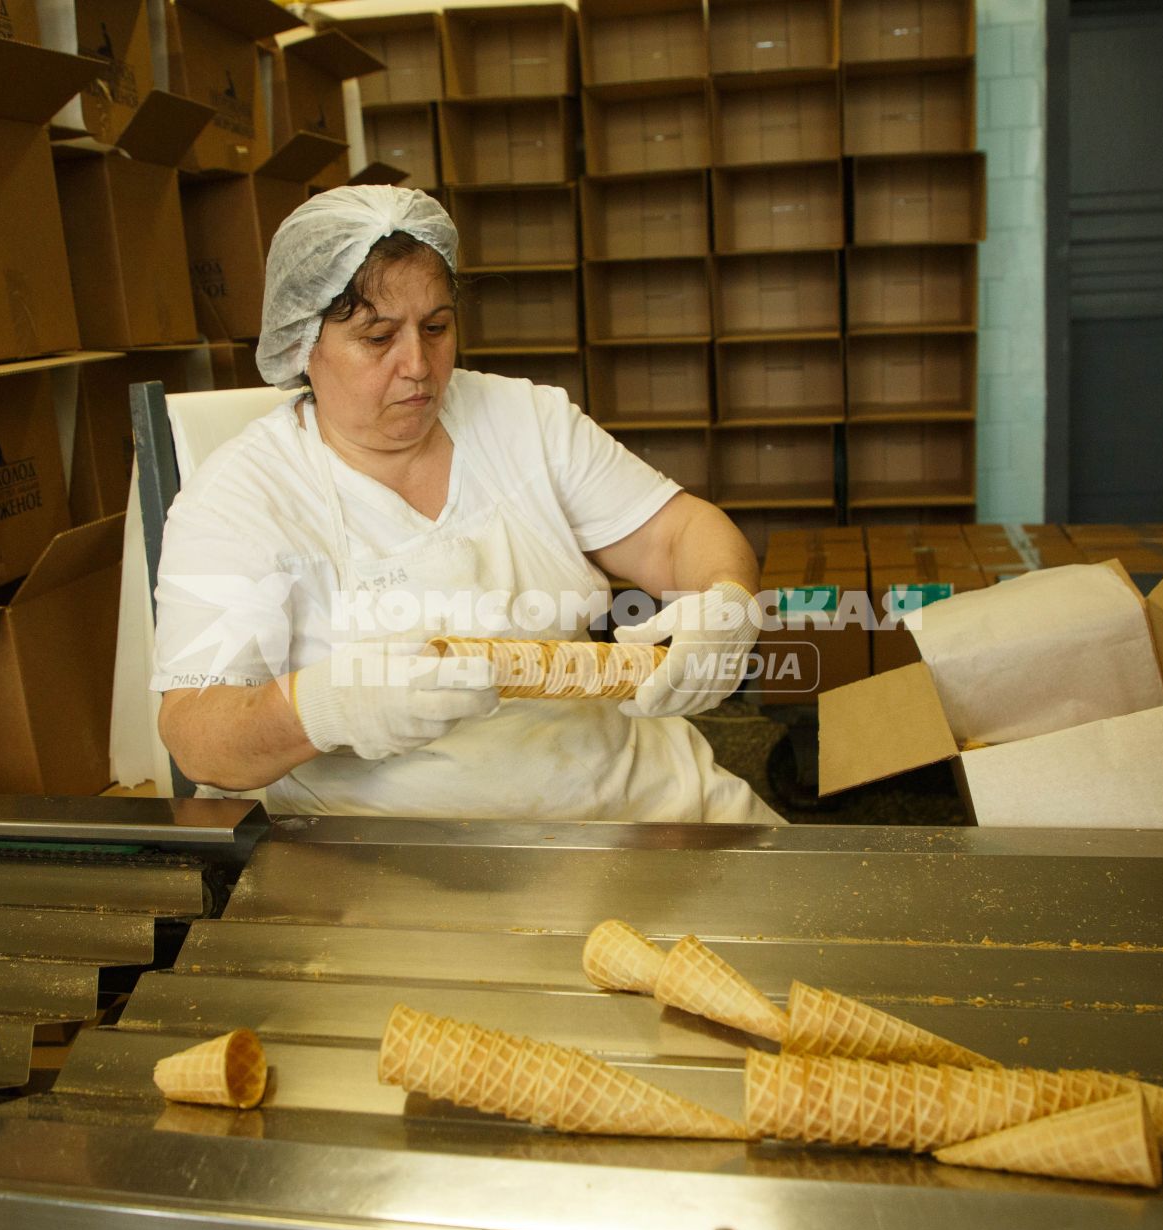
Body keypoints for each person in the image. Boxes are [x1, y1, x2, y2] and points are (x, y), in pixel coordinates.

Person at [152, 187, 780, 825]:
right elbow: (197, 735)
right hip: (401, 861)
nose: (419, 366)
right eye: (377, 338)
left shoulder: (523, 420)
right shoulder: (240, 498)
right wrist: (327, 705)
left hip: (635, 797)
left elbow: (675, 533)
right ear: (300, 347)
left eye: (436, 328)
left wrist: (725, 600)